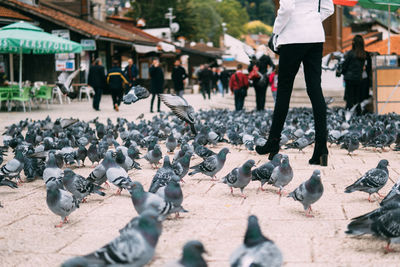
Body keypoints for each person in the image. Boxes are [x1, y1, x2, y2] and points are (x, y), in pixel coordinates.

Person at [256, 0, 334, 167]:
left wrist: (276, 32)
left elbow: (287, 7)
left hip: (292, 36)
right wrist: (311, 19)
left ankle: (274, 141)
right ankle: (321, 148)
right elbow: (329, 8)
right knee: (315, 89)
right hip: (315, 35)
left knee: (284, 90)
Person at [342, 35, 371, 112]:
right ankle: (358, 112)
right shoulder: (365, 54)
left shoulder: (350, 54)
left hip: (349, 78)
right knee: (357, 97)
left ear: (354, 43)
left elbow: (344, 66)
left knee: (349, 97)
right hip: (359, 78)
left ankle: (348, 112)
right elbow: (369, 68)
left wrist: (343, 72)